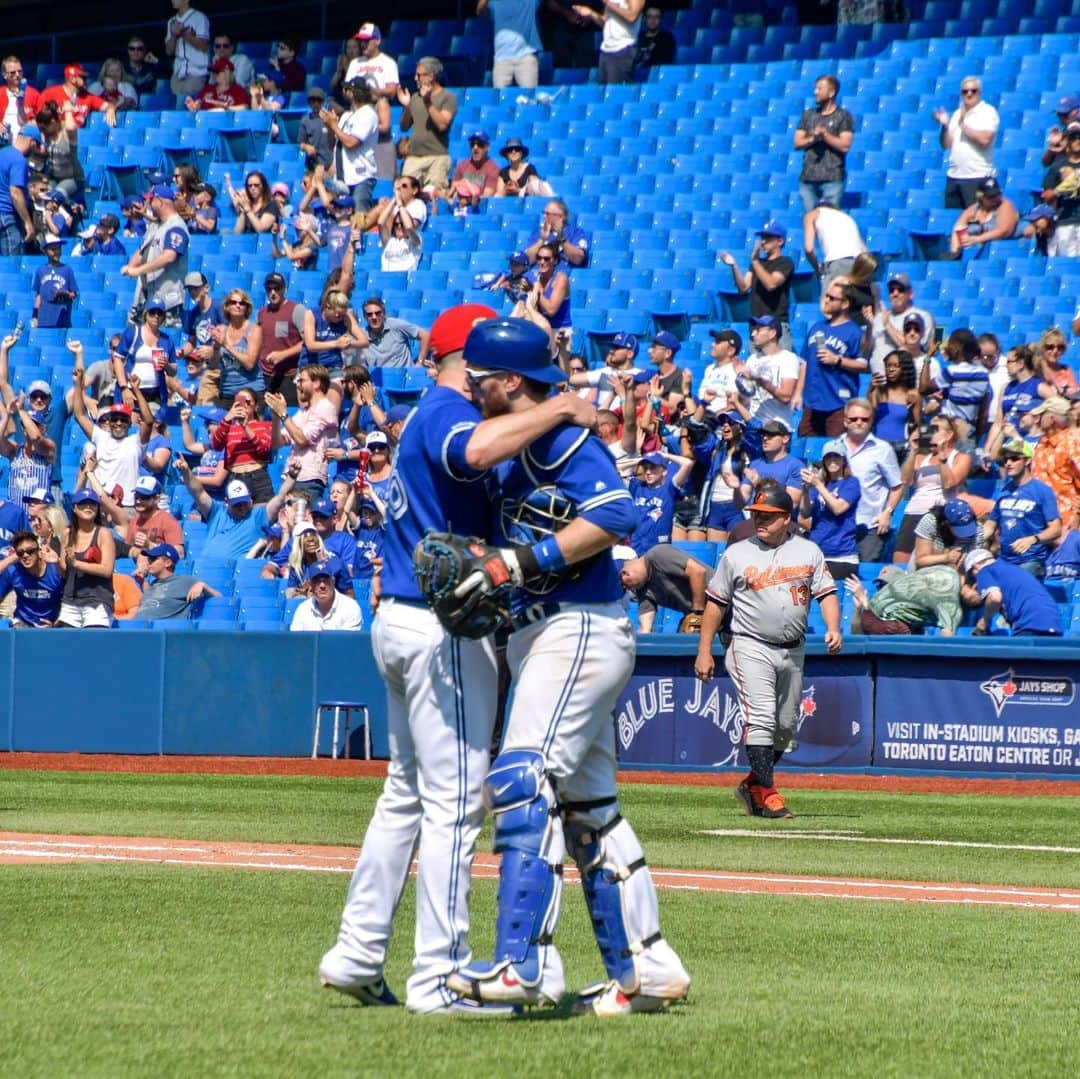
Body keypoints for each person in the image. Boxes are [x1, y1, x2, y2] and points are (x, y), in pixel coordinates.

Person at [318, 305, 602, 1016]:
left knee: (405, 794)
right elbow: (474, 452)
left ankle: (355, 952)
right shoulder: (445, 408)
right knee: (454, 805)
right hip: (439, 628)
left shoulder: (432, 408)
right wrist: (562, 406)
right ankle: (439, 977)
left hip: (403, 621)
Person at [442, 317, 689, 1017]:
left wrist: (526, 560)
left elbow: (615, 514)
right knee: (591, 813)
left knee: (521, 777)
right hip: (552, 630)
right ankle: (647, 968)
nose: (469, 388)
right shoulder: (524, 445)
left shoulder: (559, 438)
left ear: (511, 382)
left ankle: (524, 964)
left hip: (577, 624)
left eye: (479, 379)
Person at [695, 485, 841, 820]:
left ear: (787, 519)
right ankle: (770, 794)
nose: (759, 519)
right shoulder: (737, 553)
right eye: (756, 513)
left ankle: (752, 785)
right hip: (748, 644)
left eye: (769, 515)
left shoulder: (808, 551)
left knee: (785, 728)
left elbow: (828, 593)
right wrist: (704, 651)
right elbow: (715, 606)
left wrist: (833, 627)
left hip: (793, 650)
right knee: (760, 717)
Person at [175, 462, 294, 562]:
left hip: (234, 572)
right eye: (237, 504)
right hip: (205, 566)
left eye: (244, 502)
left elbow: (280, 497)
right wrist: (186, 472)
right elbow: (198, 492)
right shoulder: (217, 512)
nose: (242, 507)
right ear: (227, 503)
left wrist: (292, 477)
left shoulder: (259, 516)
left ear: (251, 500)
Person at [895, 415, 973, 565]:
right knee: (901, 559)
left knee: (932, 560)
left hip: (939, 514)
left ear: (949, 435)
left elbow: (949, 484)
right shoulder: (921, 458)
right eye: (928, 430)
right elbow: (905, 480)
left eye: (935, 430)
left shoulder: (961, 458)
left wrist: (943, 459)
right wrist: (912, 451)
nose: (930, 433)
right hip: (914, 511)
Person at [983, 439, 1061, 579]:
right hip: (1005, 559)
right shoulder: (1005, 490)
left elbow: (1056, 530)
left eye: (1014, 458)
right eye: (1005, 459)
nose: (1008, 463)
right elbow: (991, 524)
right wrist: (974, 541)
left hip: (1031, 561)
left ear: (1027, 461)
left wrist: (1033, 539)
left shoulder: (1042, 491)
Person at [798, 282, 866, 437]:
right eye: (826, 296)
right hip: (812, 402)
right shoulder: (816, 327)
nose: (826, 300)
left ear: (845, 304)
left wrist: (838, 360)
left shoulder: (854, 332)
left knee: (835, 452)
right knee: (805, 446)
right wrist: (798, 392)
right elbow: (804, 362)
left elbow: (863, 365)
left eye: (832, 298)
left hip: (838, 402)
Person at [267, 364, 339, 504]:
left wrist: (283, 414)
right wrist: (276, 418)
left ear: (316, 383)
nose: (298, 384)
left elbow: (302, 439)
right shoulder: (303, 412)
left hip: (310, 480)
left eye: (301, 380)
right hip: (292, 478)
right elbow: (277, 442)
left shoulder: (325, 407)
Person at [719, 221, 795, 351]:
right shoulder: (757, 264)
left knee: (780, 367)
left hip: (776, 327)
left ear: (780, 241)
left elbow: (771, 284)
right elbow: (743, 288)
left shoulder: (785, 263)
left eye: (768, 238)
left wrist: (755, 261)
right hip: (756, 328)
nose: (763, 242)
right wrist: (734, 266)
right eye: (762, 238)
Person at [121, 184, 189, 325]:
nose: (148, 204)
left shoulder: (176, 226)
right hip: (150, 297)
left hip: (167, 301)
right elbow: (142, 251)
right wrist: (129, 267)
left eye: (151, 200)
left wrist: (138, 270)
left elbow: (169, 256)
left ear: (161, 201)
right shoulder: (156, 225)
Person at [961, 548, 1062, 637]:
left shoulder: (984, 571)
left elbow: (995, 598)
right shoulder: (1014, 568)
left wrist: (984, 621)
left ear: (975, 567)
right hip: (1054, 622)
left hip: (1029, 623)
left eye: (972, 577)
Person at [797, 441, 861, 580]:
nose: (832, 461)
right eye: (828, 457)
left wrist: (817, 484)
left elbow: (838, 508)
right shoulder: (820, 484)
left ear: (844, 460)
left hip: (842, 556)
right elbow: (805, 513)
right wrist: (806, 490)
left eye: (836, 457)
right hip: (817, 553)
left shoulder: (851, 482)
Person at [934, 76, 1000, 209]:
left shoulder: (987, 112)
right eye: (965, 91)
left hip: (978, 177)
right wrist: (945, 126)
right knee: (955, 223)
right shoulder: (958, 113)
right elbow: (946, 145)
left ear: (979, 92)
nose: (969, 94)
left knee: (975, 222)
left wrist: (962, 125)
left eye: (973, 91)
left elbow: (985, 140)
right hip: (955, 177)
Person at [793, 74, 855, 213]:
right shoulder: (808, 115)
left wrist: (825, 135)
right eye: (815, 88)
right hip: (808, 179)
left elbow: (845, 145)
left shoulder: (843, 116)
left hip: (832, 179)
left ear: (832, 92)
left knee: (830, 222)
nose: (815, 92)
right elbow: (797, 142)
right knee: (810, 221)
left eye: (820, 88)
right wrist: (813, 138)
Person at [847, 563, 964, 636]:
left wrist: (866, 605)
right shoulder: (880, 610)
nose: (882, 590)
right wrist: (858, 610)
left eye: (887, 585)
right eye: (880, 586)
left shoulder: (915, 619)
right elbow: (857, 635)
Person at [56, 488, 116, 628]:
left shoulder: (103, 533)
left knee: (93, 644)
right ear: (75, 508)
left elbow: (107, 570)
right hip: (70, 601)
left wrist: (76, 563)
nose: (88, 507)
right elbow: (64, 570)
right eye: (83, 504)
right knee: (63, 644)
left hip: (96, 601)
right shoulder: (67, 533)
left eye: (92, 504)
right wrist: (55, 561)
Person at [398, 58, 457, 197]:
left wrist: (428, 102)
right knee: (405, 195)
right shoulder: (415, 97)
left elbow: (442, 125)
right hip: (414, 158)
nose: (415, 78)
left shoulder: (447, 97)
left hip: (437, 158)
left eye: (419, 75)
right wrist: (407, 106)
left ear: (431, 76)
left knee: (435, 197)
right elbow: (404, 126)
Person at [619, 543, 709, 633]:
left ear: (625, 573)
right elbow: (645, 627)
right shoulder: (642, 589)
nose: (627, 588)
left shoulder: (657, 555)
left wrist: (697, 614)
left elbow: (698, 572)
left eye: (624, 585)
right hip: (699, 615)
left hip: (717, 603)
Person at [322, 80, 378, 212]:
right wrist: (330, 127)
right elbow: (334, 145)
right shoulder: (347, 116)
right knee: (342, 219)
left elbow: (351, 143)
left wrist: (334, 126)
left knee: (360, 218)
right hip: (343, 178)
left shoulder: (367, 113)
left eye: (347, 89)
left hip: (361, 178)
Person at [628, 448, 694, 555]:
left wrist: (666, 456)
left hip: (659, 548)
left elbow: (688, 464)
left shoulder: (669, 488)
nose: (648, 472)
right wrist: (636, 461)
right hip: (637, 546)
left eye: (653, 468)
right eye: (645, 468)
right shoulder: (637, 486)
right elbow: (614, 468)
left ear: (664, 471)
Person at [129, 543, 218, 620]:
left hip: (160, 634)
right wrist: (142, 582)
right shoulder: (153, 583)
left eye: (153, 559)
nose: (149, 563)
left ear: (167, 563)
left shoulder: (184, 581)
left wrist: (202, 585)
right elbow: (155, 600)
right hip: (138, 629)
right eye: (149, 559)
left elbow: (219, 597)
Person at [1030, 396, 1080, 532]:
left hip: (1066, 520)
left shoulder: (1072, 443)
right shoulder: (1042, 442)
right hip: (1039, 519)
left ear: (1052, 419)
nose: (1037, 419)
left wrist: (1077, 516)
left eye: (1041, 415)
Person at [256, 272, 307, 404]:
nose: (273, 292)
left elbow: (308, 341)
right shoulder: (262, 313)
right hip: (265, 375)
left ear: (285, 289)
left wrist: (283, 354)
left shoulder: (296, 310)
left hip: (289, 375)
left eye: (277, 288)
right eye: (269, 289)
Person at [571, 0, 646, 85]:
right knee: (604, 89)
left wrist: (608, 2)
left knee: (614, 90)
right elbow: (605, 23)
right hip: (606, 50)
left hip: (623, 49)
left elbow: (632, 17)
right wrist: (590, 13)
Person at [0, 529, 64, 627]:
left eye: (30, 551)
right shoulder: (13, 571)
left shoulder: (55, 571)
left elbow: (70, 603)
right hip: (22, 624)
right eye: (20, 553)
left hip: (50, 627)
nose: (25, 555)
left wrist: (56, 624)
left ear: (38, 551)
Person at [948, 177, 1018, 257]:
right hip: (980, 253)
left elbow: (1004, 231)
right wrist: (955, 251)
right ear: (981, 196)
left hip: (1004, 250)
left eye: (997, 195)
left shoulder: (1005, 205)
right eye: (990, 197)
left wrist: (977, 239)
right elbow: (958, 228)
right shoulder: (973, 210)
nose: (995, 199)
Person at [478, 0, 542, 89]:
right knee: (499, 98)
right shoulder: (495, 2)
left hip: (526, 56)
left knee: (529, 99)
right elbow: (480, 11)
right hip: (501, 58)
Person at [869, 349, 920, 460]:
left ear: (905, 369)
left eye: (896, 366)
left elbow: (918, 425)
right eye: (888, 366)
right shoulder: (878, 391)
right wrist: (871, 391)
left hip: (900, 447)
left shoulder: (912, 394)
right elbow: (869, 420)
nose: (890, 369)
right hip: (877, 445)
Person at [803, 200, 867, 287]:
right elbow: (864, 250)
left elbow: (809, 249)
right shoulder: (847, 217)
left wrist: (817, 269)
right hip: (860, 264)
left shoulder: (813, 214)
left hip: (838, 263)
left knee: (829, 299)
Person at [1040, 121, 1080, 258]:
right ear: (1067, 140)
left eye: (1079, 136)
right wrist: (1060, 189)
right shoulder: (1058, 167)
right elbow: (1046, 196)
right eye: (1073, 137)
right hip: (1065, 221)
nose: (1077, 140)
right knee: (1067, 263)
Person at [0, 123, 41, 255]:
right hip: (7, 216)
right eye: (37, 145)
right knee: (12, 264)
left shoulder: (2, 153)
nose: (35, 150)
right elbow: (15, 193)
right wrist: (28, 222)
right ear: (31, 141)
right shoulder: (19, 160)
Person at [289, 559, 363, 631]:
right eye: (317, 581)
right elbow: (296, 640)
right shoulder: (302, 609)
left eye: (326, 580)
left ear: (333, 582)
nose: (322, 586)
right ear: (310, 585)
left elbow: (350, 642)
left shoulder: (350, 607)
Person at [38, 64, 118, 129]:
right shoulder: (50, 93)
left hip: (78, 137)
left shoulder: (88, 96)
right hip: (56, 136)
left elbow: (108, 105)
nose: (86, 80)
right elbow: (39, 118)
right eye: (83, 77)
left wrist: (110, 109)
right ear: (73, 79)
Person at [356, 297, 429, 368]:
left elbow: (425, 336)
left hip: (403, 375)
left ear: (384, 314)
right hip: (378, 378)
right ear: (364, 317)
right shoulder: (361, 336)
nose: (374, 317)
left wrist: (419, 363)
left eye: (378, 313)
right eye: (369, 314)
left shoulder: (397, 326)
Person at [524, 200, 590, 270]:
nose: (544, 216)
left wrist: (562, 239)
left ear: (561, 217)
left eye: (547, 214)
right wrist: (542, 240)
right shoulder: (538, 232)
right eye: (543, 213)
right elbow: (527, 261)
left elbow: (578, 259)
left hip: (564, 275)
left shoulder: (575, 232)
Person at [165, 0, 211, 101]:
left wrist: (183, 34)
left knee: (190, 108)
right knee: (176, 111)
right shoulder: (171, 21)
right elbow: (169, 51)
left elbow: (203, 46)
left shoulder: (200, 17)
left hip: (196, 72)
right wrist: (174, 35)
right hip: (177, 73)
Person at [31, 234, 78, 329]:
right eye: (52, 249)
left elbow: (74, 293)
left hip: (62, 319)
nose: (56, 252)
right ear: (45, 251)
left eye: (58, 249)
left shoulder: (67, 270)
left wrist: (66, 294)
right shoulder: (40, 270)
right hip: (44, 319)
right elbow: (38, 295)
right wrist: (35, 315)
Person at [449, 130, 500, 215]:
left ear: (487, 147)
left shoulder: (493, 168)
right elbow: (453, 190)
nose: (475, 147)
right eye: (472, 145)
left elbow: (486, 196)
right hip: (459, 205)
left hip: (478, 209)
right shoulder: (462, 165)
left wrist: (467, 186)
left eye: (480, 144)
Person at [184, 57, 249, 112]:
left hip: (227, 125)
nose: (214, 74)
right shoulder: (207, 89)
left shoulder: (238, 90)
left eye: (217, 71)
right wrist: (194, 108)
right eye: (213, 71)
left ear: (227, 73)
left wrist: (226, 108)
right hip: (207, 124)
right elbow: (198, 106)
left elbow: (244, 108)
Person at [0, 56, 42, 138]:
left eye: (20, 71)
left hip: (27, 141)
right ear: (5, 75)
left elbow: (42, 121)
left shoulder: (34, 94)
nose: (17, 75)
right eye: (13, 72)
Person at [633, 7, 676, 74]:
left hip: (656, 74)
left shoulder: (667, 38)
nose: (652, 20)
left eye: (656, 17)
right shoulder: (638, 37)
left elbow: (666, 61)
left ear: (661, 19)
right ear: (645, 19)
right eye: (649, 17)